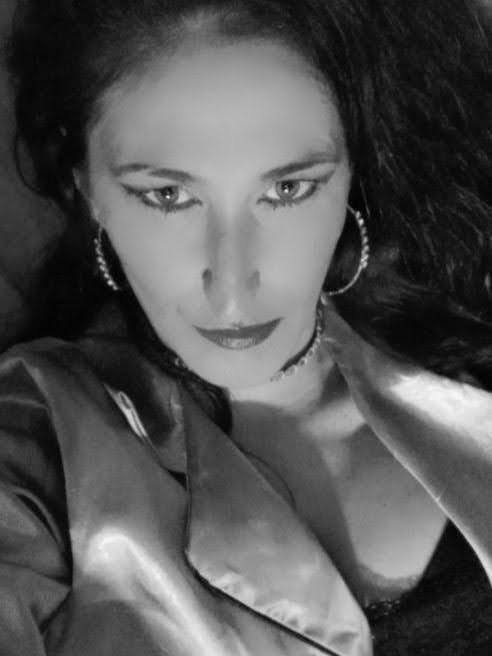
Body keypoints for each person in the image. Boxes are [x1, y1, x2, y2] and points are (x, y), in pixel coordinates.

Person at [1, 0, 492, 654]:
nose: (232, 287)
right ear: (86, 187)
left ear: (353, 169)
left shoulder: (470, 345)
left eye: (288, 189)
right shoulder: (37, 441)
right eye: (169, 196)